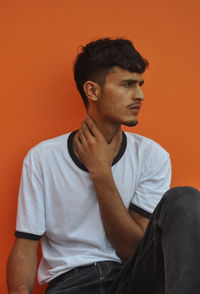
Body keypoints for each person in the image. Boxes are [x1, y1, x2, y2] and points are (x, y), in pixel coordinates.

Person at [7, 38, 200, 294]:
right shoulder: (42, 157)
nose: (140, 95)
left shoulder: (152, 156)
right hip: (70, 285)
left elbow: (132, 250)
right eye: (127, 84)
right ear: (93, 91)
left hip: (130, 281)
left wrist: (101, 172)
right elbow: (26, 246)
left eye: (140, 84)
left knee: (185, 198)